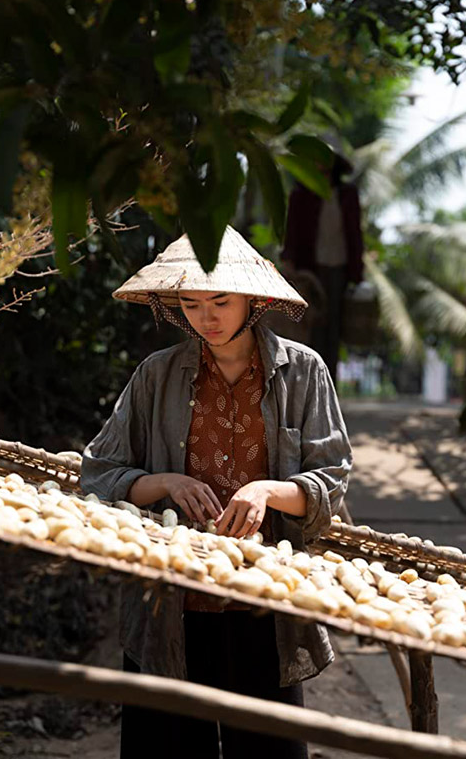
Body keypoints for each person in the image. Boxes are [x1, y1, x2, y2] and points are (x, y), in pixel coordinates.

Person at [82, 226, 353, 759]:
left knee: (267, 750)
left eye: (221, 301)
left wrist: (268, 491)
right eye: (191, 303)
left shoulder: (303, 373)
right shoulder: (154, 377)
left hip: (262, 604)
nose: (206, 317)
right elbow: (98, 472)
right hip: (170, 603)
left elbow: (331, 479)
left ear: (252, 300)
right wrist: (162, 482)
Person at [281, 154, 364, 375]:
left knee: (333, 330)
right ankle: (307, 383)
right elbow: (292, 231)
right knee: (309, 327)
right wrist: (289, 263)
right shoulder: (300, 195)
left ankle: (329, 385)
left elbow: (355, 234)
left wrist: (357, 272)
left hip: (339, 268)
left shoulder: (347, 195)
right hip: (309, 269)